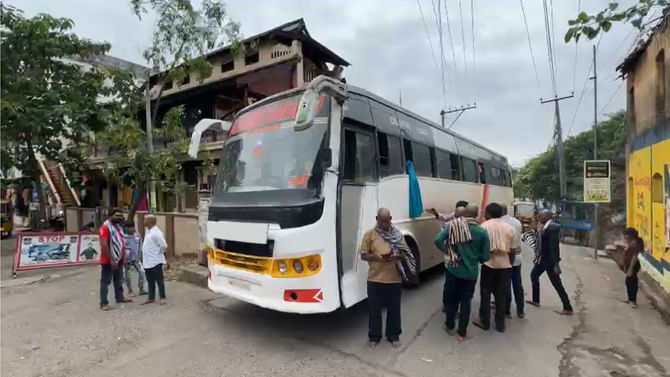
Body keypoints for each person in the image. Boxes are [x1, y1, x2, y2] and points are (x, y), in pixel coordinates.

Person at [433, 205, 489, 341]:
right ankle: (462, 333)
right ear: (476, 215)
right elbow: (485, 257)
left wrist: (449, 252)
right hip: (470, 273)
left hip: (453, 269)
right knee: (466, 301)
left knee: (452, 299)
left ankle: (449, 325)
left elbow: (437, 240)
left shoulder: (453, 226)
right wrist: (476, 258)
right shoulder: (481, 232)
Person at [359, 208, 406, 348]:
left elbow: (405, 253)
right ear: (377, 219)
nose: (385, 224)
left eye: (387, 221)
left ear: (390, 218)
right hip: (375, 279)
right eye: (382, 221)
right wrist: (376, 257)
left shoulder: (398, 234)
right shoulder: (370, 235)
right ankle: (374, 337)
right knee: (374, 310)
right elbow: (363, 255)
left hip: (394, 278)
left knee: (394, 309)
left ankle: (393, 336)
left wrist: (397, 256)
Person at [474, 203, 515, 332]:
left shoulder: (484, 227)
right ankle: (500, 325)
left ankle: (485, 322)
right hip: (505, 265)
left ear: (489, 214)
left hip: (489, 265)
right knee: (501, 295)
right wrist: (510, 264)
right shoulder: (509, 228)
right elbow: (513, 250)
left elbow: (479, 248)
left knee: (485, 294)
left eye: (485, 212)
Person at [527, 210, 574, 315]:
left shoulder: (552, 228)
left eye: (541, 215)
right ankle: (536, 300)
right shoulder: (545, 226)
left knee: (557, 284)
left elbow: (554, 247)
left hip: (549, 261)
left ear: (548, 216)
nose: (539, 216)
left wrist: (556, 264)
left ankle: (568, 308)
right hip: (542, 260)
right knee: (534, 276)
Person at [98, 208, 132, 311]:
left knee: (118, 279)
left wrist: (123, 258)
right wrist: (112, 259)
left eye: (120, 216)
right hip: (108, 259)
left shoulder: (118, 227)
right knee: (106, 281)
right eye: (117, 215)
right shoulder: (105, 228)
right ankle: (103, 303)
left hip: (119, 258)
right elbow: (104, 246)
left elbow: (121, 242)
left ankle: (120, 297)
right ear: (110, 216)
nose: (119, 218)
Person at [500, 205, 524, 318]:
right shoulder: (517, 222)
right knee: (517, 285)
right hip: (517, 258)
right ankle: (520, 310)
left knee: (505, 285)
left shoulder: (498, 223)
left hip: (504, 258)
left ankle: (506, 310)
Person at [141, 215, 167, 305]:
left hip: (155, 260)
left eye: (145, 220)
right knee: (150, 280)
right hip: (147, 261)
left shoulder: (156, 232)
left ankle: (162, 297)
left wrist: (158, 253)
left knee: (159, 279)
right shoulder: (148, 231)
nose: (143, 221)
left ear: (150, 222)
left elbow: (164, 245)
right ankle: (151, 297)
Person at [123, 221, 147, 297]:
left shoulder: (137, 236)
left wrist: (139, 256)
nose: (132, 229)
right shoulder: (123, 237)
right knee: (128, 275)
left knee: (142, 273)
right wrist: (123, 260)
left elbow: (140, 246)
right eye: (129, 228)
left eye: (133, 227)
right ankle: (130, 290)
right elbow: (122, 249)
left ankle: (141, 289)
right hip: (127, 260)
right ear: (126, 228)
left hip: (136, 259)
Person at [621, 227, 643, 308]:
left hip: (633, 265)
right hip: (629, 264)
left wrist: (630, 268)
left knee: (631, 281)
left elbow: (635, 257)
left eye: (625, 236)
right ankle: (630, 299)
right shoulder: (630, 242)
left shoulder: (636, 243)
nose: (624, 237)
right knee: (628, 281)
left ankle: (633, 301)